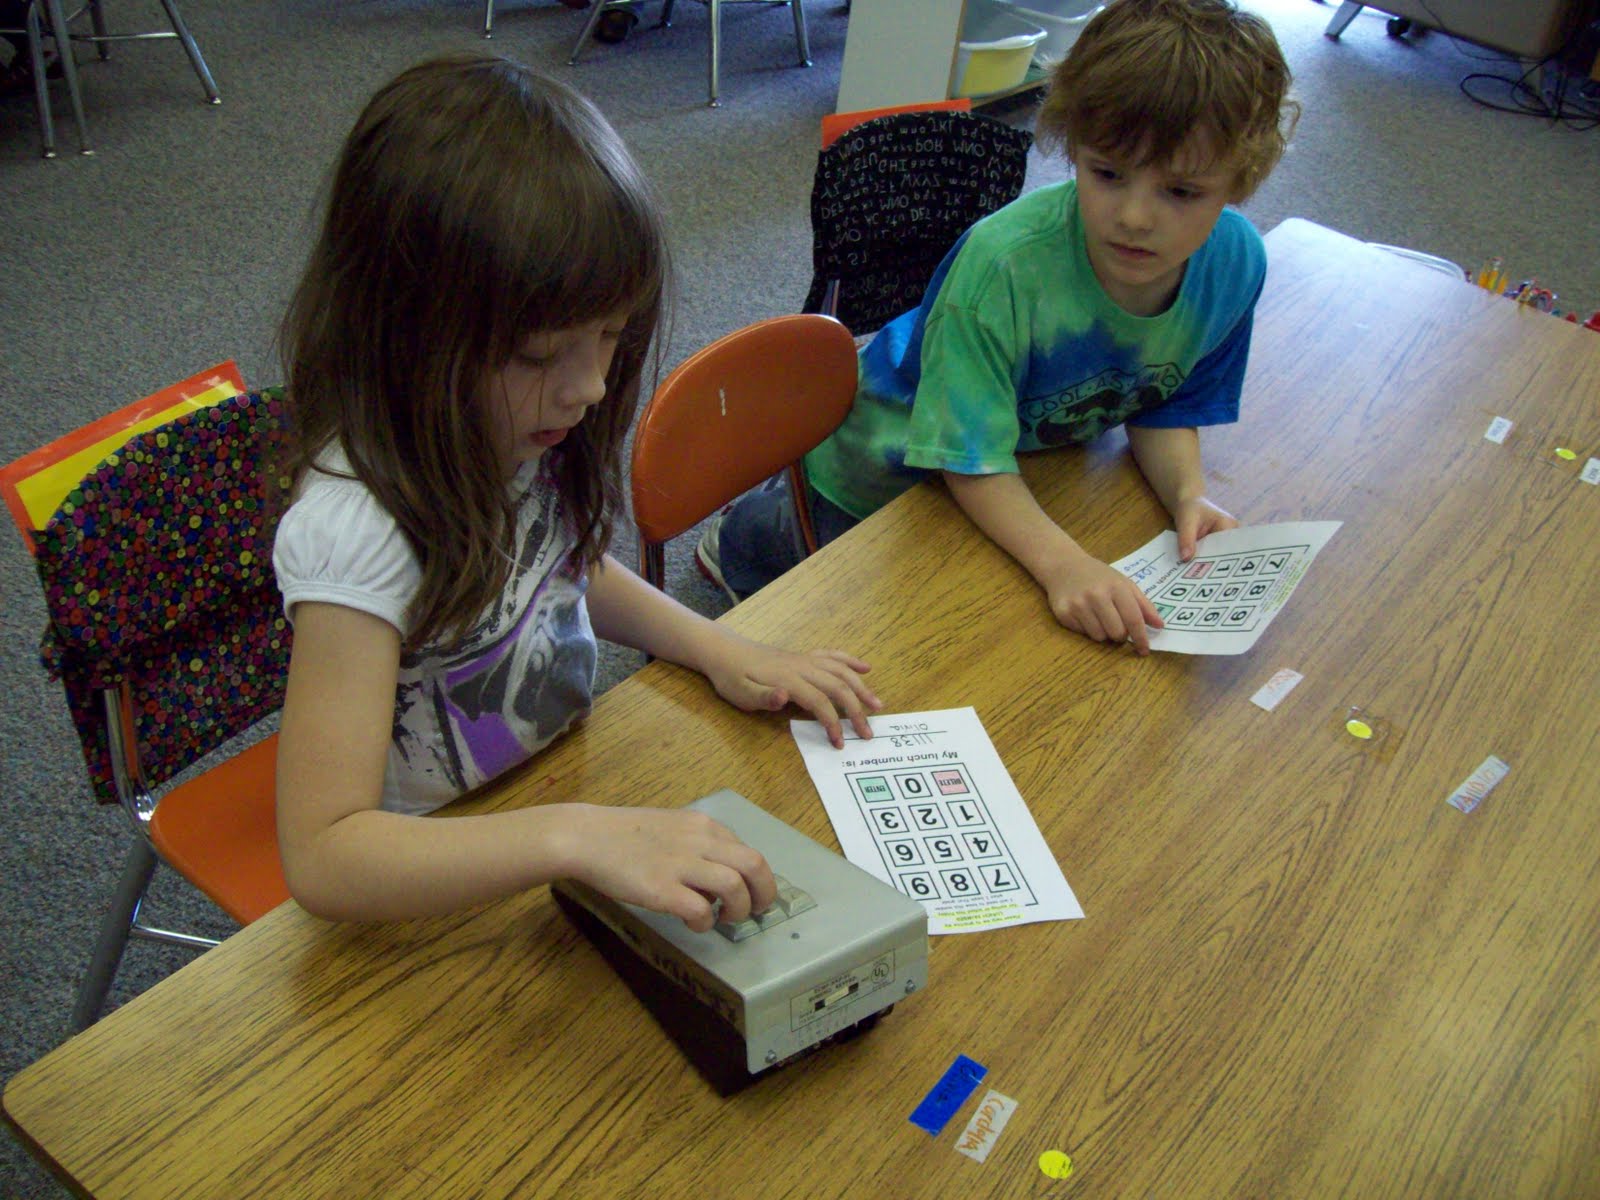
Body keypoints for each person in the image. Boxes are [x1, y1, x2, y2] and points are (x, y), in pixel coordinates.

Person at [272, 53, 881, 932]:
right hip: (440, 881)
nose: (592, 386)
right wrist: (571, 836)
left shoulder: (511, 421)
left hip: (559, 792)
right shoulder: (356, 529)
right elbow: (326, 855)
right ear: (404, 329)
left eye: (610, 336)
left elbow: (559, 563)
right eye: (538, 353)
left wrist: (715, 647)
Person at [699, 0, 1298, 655]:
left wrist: (1188, 496)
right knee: (840, 588)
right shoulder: (1003, 265)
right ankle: (740, 533)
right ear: (1073, 146)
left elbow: (1167, 402)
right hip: (884, 469)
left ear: (1241, 180)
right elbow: (969, 462)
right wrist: (1065, 564)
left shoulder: (1236, 264)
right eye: (1107, 174)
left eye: (1180, 192)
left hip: (1012, 455)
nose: (1133, 216)